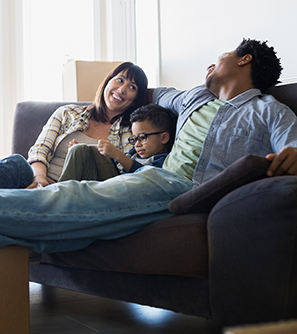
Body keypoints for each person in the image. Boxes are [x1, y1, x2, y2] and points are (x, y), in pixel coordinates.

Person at [0, 38, 297, 254]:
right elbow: (155, 94)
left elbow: (291, 146)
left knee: (74, 194)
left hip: (192, 189)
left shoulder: (269, 110)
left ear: (244, 60)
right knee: (71, 217)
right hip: (155, 178)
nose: (211, 64)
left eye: (222, 56)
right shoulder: (193, 98)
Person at [27, 61, 148, 188]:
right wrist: (40, 179)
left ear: (135, 101)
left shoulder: (129, 132)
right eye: (120, 80)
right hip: (39, 180)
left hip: (76, 191)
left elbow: (128, 175)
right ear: (108, 82)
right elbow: (40, 149)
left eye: (132, 87)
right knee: (15, 163)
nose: (122, 89)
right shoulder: (67, 113)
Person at [58, 104, 176, 182]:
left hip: (123, 191)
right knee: (80, 149)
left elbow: (147, 178)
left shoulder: (163, 160)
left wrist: (118, 155)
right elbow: (116, 167)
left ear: (164, 138)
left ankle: (59, 196)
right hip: (108, 181)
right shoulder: (135, 152)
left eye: (142, 137)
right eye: (134, 139)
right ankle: (59, 192)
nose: (137, 144)